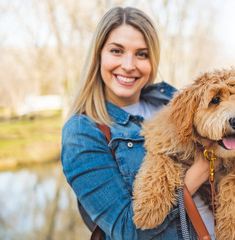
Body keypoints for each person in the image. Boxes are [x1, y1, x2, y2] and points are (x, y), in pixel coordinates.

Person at [61, 6, 214, 240]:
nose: (129, 64)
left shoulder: (170, 101)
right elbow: (126, 230)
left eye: (141, 54)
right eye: (117, 51)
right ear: (98, 55)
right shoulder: (83, 131)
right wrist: (194, 177)